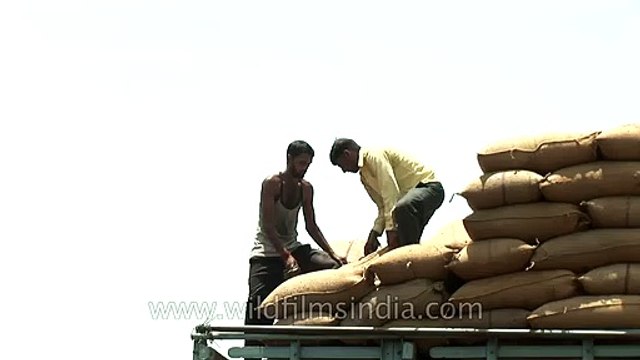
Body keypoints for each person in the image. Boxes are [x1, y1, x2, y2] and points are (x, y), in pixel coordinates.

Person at [243, 140, 347, 351]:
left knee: (331, 267)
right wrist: (286, 257)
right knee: (258, 305)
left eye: (307, 164)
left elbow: (311, 226)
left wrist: (332, 253)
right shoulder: (272, 183)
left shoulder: (306, 189)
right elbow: (268, 226)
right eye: (301, 163)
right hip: (267, 252)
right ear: (289, 159)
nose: (304, 168)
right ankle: (251, 352)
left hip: (293, 246)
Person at [329, 138, 445, 255]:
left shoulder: (374, 156)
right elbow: (383, 206)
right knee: (402, 238)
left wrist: (391, 229)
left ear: (346, 154)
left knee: (402, 212)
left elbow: (390, 193)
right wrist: (375, 233)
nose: (344, 170)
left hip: (428, 188)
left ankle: (410, 259)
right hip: (408, 205)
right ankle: (414, 263)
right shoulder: (364, 177)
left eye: (341, 165)